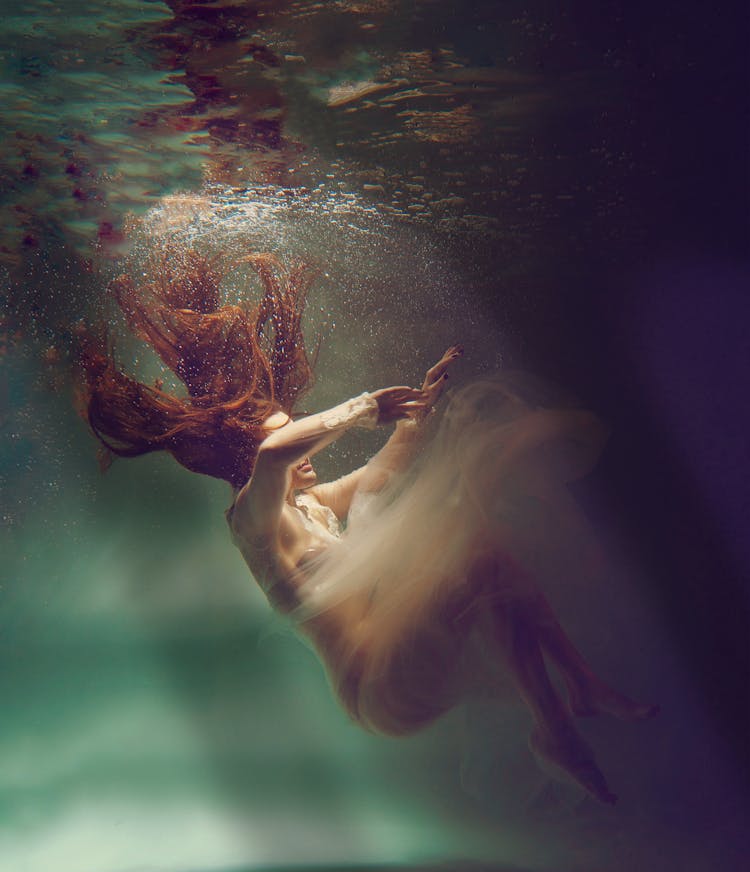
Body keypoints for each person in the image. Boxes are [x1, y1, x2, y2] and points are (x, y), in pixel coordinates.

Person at [78, 246, 656, 805]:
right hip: (375, 691)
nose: (308, 451)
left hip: (395, 663)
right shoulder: (254, 525)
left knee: (484, 557)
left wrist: (414, 410)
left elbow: (383, 469)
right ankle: (559, 720)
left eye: (300, 431)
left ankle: (574, 692)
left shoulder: (315, 504)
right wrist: (360, 409)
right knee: (471, 551)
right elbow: (277, 455)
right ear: (248, 461)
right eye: (290, 437)